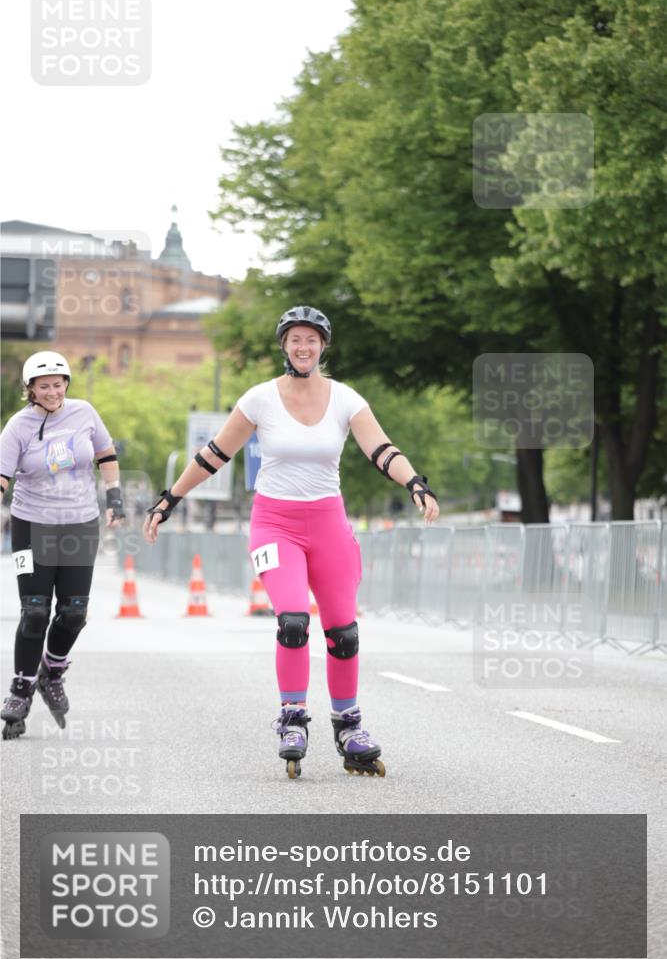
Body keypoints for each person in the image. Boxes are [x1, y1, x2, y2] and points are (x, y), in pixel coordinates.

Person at [143, 307, 438, 777]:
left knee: (342, 632)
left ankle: (347, 724)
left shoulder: (345, 399)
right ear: (284, 346)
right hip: (274, 524)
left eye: (312, 340)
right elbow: (214, 454)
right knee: (294, 621)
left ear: (323, 346)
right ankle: (293, 717)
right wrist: (169, 500)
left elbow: (381, 449)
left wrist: (415, 484)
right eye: (295, 339)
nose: (303, 347)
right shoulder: (260, 399)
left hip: (329, 525)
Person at [0, 351, 125, 740]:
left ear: (66, 384)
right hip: (30, 526)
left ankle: (51, 672)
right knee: (35, 611)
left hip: (79, 525)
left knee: (74, 612)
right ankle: (20, 689)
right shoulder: (18, 426)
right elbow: (2, 476)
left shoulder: (84, 413)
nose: (52, 391)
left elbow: (106, 453)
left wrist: (115, 498)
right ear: (31, 390)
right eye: (43, 386)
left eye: (57, 384)